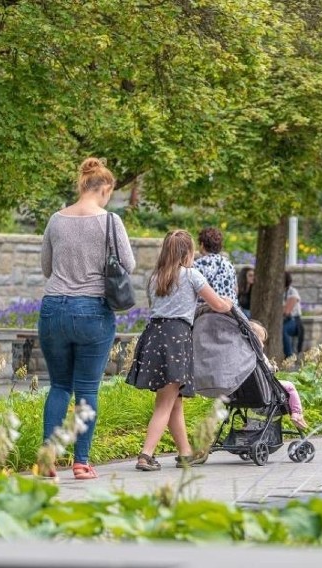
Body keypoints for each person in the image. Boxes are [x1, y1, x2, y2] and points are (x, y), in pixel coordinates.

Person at [38, 157, 135, 480]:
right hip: (93, 310)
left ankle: (48, 458)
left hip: (53, 309)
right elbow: (128, 265)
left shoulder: (56, 219)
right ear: (105, 188)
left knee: (59, 386)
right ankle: (81, 462)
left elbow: (47, 268)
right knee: (87, 390)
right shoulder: (110, 221)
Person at [127, 230, 233, 472]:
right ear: (188, 252)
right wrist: (228, 303)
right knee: (165, 403)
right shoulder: (191, 275)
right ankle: (146, 455)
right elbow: (217, 304)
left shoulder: (155, 277)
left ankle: (185, 453)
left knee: (175, 401)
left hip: (154, 336)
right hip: (176, 338)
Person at [249, 320, 308, 429]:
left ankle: (249, 426)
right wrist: (274, 368)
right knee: (290, 387)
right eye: (261, 340)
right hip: (262, 390)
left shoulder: (239, 356)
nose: (262, 344)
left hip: (243, 394)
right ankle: (297, 413)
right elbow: (267, 370)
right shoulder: (259, 355)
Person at [193, 227, 238, 303]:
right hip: (229, 309)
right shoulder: (229, 263)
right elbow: (235, 289)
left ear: (202, 245)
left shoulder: (197, 265)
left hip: (206, 308)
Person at [282, 271, 304, 359]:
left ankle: (289, 356)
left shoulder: (292, 291)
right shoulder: (276, 292)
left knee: (283, 330)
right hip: (282, 320)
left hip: (294, 321)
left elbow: (287, 311)